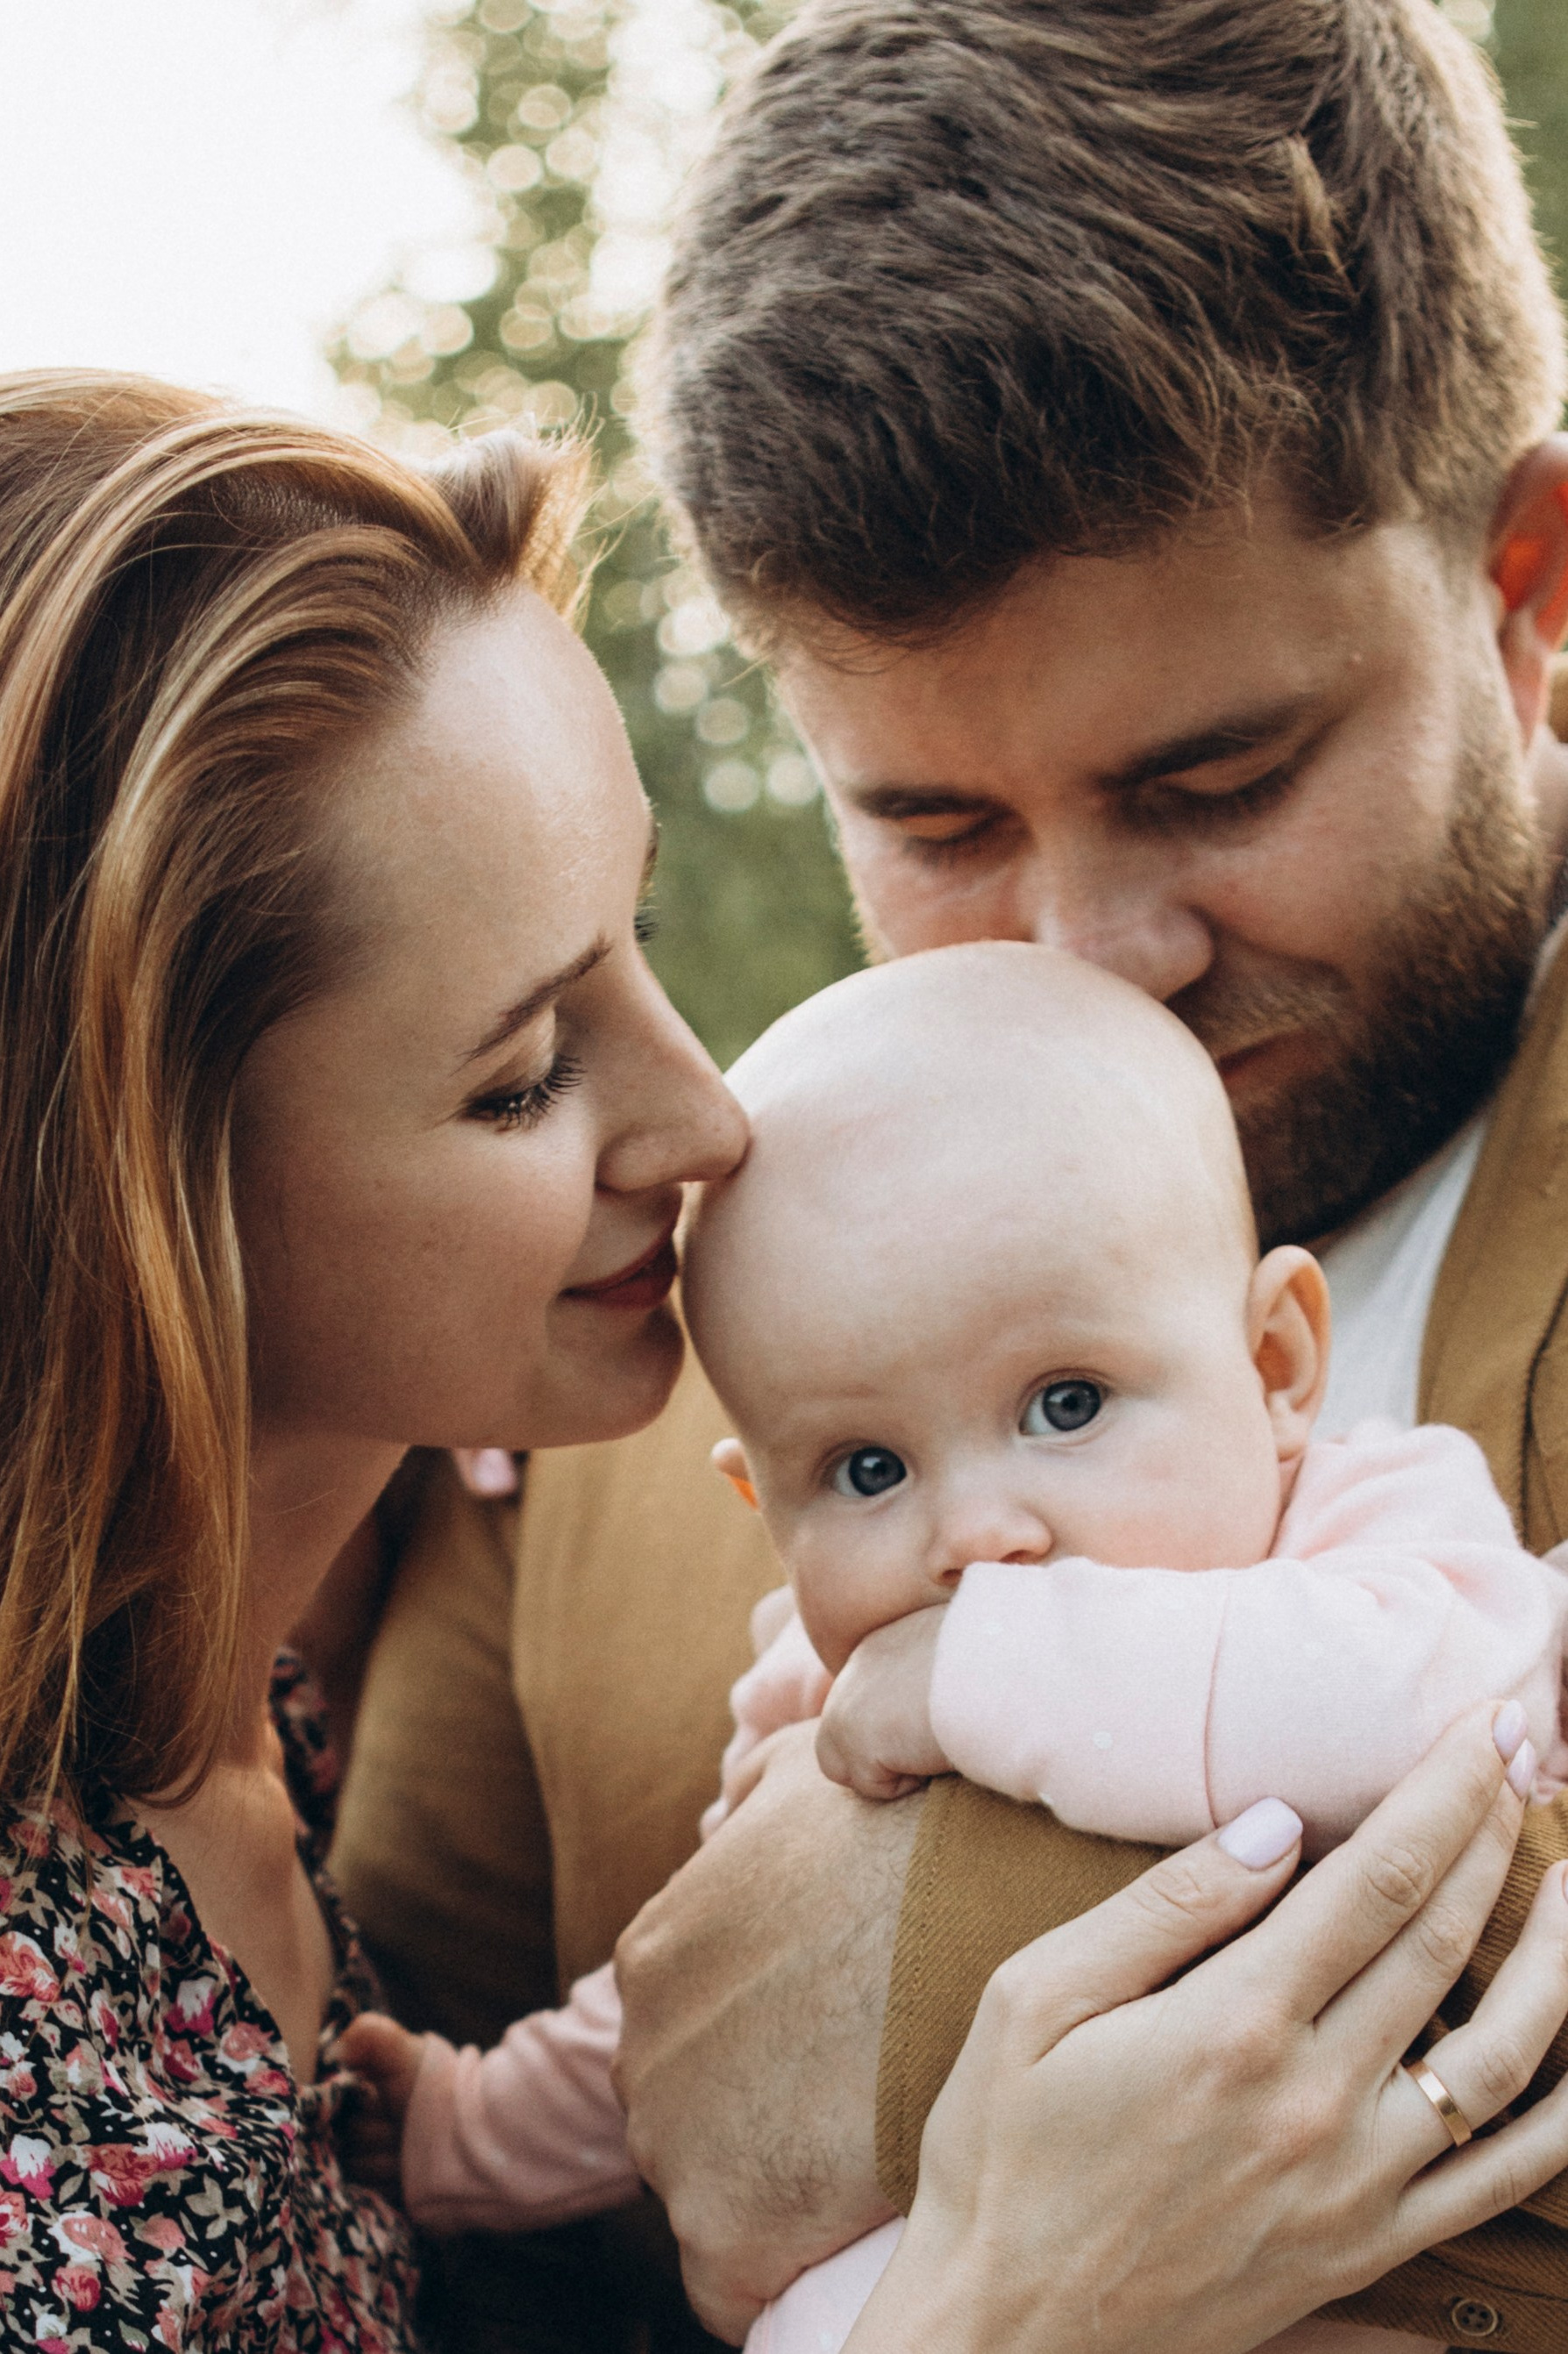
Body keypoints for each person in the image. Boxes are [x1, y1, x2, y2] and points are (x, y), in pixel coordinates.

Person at [328, 1, 1568, 2345]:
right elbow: (383, 2193)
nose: (1097, 949)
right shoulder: (634, 1348)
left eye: (1214, 781)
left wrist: (819, 1991)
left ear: (1526, 585)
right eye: (933, 822)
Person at [335, 941, 1568, 2354]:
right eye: (866, 1471)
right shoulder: (823, 1679)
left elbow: (1435, 1721)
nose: (979, 1536)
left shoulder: (1370, 1517)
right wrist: (468, 2125)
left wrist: (991, 1676)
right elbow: (703, 1985)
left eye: (1065, 1404)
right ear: (765, 1504)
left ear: (1278, 1364)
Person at [0, 367, 753, 2346]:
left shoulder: (237, 1712)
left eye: (644, 932)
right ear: (134, 1199)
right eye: (522, 1079)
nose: (707, 1119)